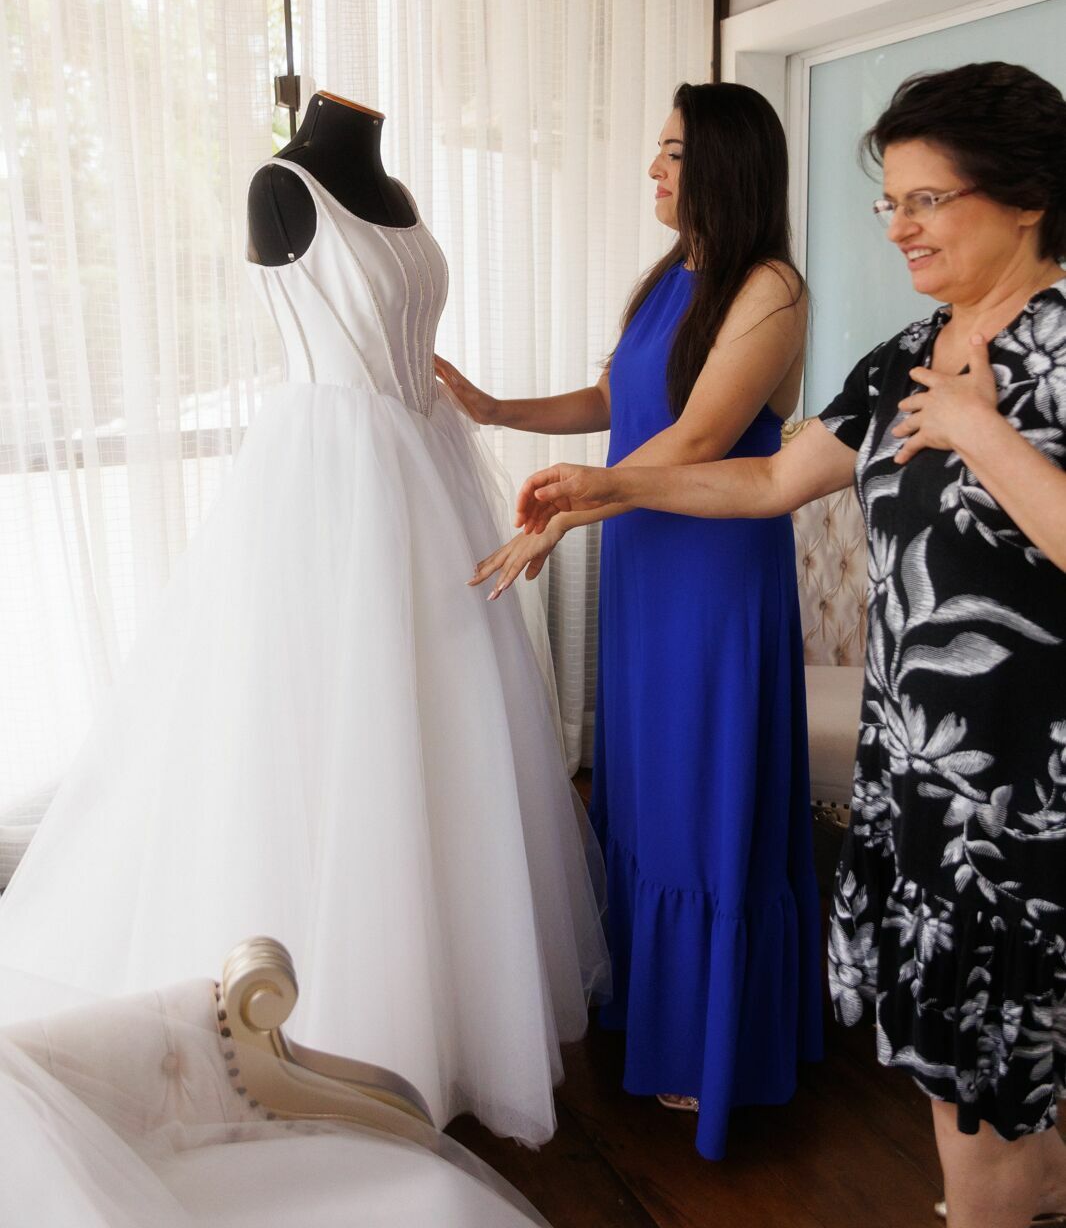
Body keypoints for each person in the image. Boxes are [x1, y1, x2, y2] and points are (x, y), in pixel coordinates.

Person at [509, 62, 1066, 1228]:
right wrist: (605, 487)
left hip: (1034, 798)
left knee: (980, 1105)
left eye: (927, 200)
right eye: (890, 201)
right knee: (986, 1086)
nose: (898, 227)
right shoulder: (908, 353)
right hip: (924, 777)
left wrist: (979, 430)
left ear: (1026, 198)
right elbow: (767, 479)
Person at [0, 93, 610, 1149]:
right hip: (331, 483)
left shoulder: (397, 191)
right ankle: (328, 1021)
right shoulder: (282, 187)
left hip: (428, 470)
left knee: (443, 735)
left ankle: (451, 1011)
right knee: (328, 730)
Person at [438, 82, 823, 1161]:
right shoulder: (668, 278)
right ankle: (650, 1006)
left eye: (672, 152)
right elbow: (617, 404)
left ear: (727, 164)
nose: (653, 170)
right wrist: (495, 409)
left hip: (714, 566)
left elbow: (697, 438)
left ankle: (714, 1040)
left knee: (702, 790)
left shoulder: (771, 287)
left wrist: (570, 511)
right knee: (645, 784)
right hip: (647, 556)